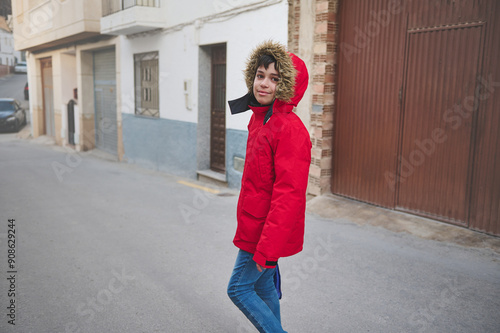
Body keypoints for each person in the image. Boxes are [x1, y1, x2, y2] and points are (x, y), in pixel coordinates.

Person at [227, 40, 311, 332]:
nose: (264, 84)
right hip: (253, 224)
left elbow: (289, 196)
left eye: (275, 79)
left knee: (238, 289)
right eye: (260, 75)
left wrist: (268, 250)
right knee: (263, 290)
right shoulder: (259, 119)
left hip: (264, 233)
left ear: (286, 85)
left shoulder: (289, 129)